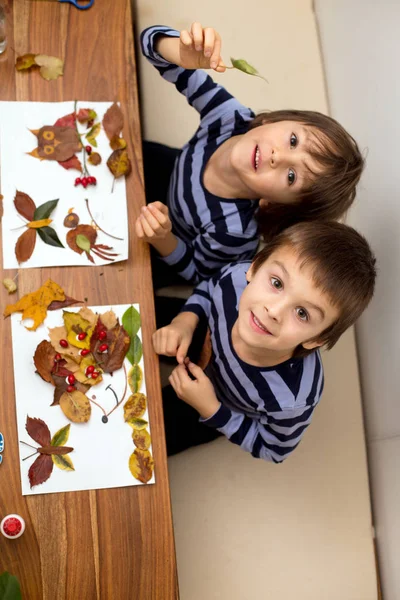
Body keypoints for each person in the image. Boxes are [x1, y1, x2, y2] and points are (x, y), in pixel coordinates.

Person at [137, 23, 365, 287]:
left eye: (291, 176)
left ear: (274, 203)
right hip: (165, 172)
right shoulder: (229, 117)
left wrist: (162, 238)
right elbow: (149, 42)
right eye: (292, 140)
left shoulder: (234, 231)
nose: (277, 158)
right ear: (273, 121)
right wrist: (179, 52)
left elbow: (196, 272)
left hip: (167, 242)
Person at [152, 221, 376, 460]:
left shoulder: (291, 400)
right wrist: (184, 322)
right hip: (200, 330)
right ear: (254, 268)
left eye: (302, 313)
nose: (273, 311)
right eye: (277, 283)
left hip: (215, 403)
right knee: (136, 316)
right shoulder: (236, 281)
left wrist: (211, 409)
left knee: (144, 434)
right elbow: (209, 287)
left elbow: (273, 450)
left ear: (316, 339)